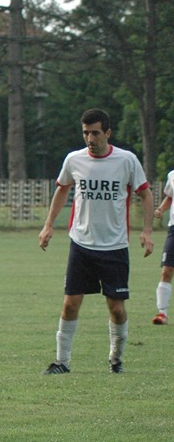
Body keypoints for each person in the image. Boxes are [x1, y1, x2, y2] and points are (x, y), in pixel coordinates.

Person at [39, 108, 154, 374]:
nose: (90, 138)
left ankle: (116, 359)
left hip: (114, 247)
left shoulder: (126, 161)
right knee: (70, 304)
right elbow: (62, 189)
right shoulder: (74, 160)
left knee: (116, 308)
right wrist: (48, 225)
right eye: (85, 133)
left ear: (107, 133)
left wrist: (147, 231)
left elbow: (145, 194)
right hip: (81, 245)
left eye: (95, 133)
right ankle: (62, 362)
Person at [151, 168, 174, 325]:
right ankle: (162, 313)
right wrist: (160, 209)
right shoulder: (172, 175)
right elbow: (170, 197)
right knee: (167, 270)